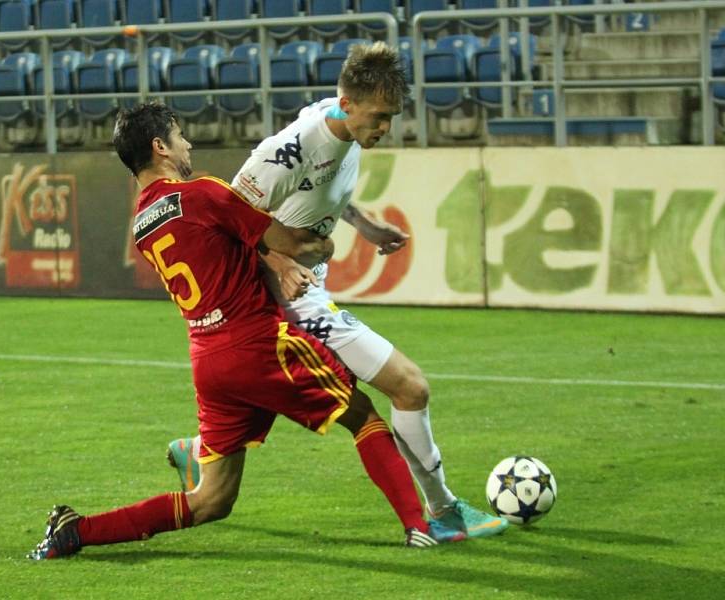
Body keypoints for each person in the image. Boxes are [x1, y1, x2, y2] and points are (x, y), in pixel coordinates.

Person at [27, 103, 466, 560]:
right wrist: (325, 242)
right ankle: (420, 526)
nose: (188, 144)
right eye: (179, 136)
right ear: (160, 147)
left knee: (211, 501)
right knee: (364, 415)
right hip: (259, 343)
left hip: (208, 360)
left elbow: (228, 247)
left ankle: (77, 531)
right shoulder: (202, 193)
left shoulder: (141, 222)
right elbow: (290, 242)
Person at [167, 42, 507, 539]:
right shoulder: (288, 149)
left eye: (391, 116)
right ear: (348, 104)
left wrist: (363, 224)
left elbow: (322, 189)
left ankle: (196, 452)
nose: (385, 128)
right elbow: (224, 220)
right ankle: (442, 509)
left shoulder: (337, 121)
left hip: (307, 289)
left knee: (265, 405)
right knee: (409, 387)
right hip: (288, 300)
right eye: (379, 117)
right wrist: (279, 262)